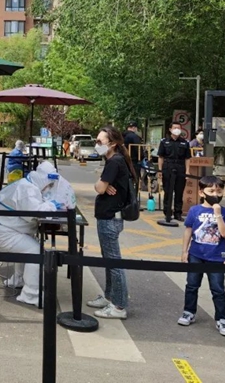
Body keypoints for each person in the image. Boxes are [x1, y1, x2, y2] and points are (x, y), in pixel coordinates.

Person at [0, 161, 63, 306]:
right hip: (4, 231)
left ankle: (18, 280)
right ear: (44, 180)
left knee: (27, 246)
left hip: (6, 228)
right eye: (49, 184)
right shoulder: (28, 189)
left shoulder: (28, 185)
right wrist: (51, 205)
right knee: (35, 251)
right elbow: (34, 213)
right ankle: (31, 294)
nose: (49, 187)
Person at [87, 126, 136, 319]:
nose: (97, 144)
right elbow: (102, 187)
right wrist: (103, 185)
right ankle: (109, 297)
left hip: (110, 218)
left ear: (113, 143)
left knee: (114, 262)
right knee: (109, 259)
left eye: (100, 141)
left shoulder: (115, 162)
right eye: (96, 141)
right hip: (108, 216)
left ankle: (119, 306)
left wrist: (102, 184)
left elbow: (99, 187)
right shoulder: (114, 161)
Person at [178, 176, 225, 337]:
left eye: (219, 191)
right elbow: (188, 230)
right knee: (192, 285)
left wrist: (218, 214)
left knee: (217, 288)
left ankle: (221, 318)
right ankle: (189, 311)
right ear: (202, 193)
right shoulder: (195, 210)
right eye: (211, 191)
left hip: (216, 256)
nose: (215, 194)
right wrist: (184, 251)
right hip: (196, 254)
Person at [157, 122, 192, 222]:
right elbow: (161, 157)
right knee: (168, 191)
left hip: (180, 168)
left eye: (179, 128)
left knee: (179, 191)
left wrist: (187, 170)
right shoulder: (164, 142)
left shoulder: (185, 143)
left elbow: (187, 158)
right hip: (168, 167)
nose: (177, 129)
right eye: (175, 127)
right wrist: (160, 170)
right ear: (170, 129)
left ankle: (178, 213)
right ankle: (167, 212)